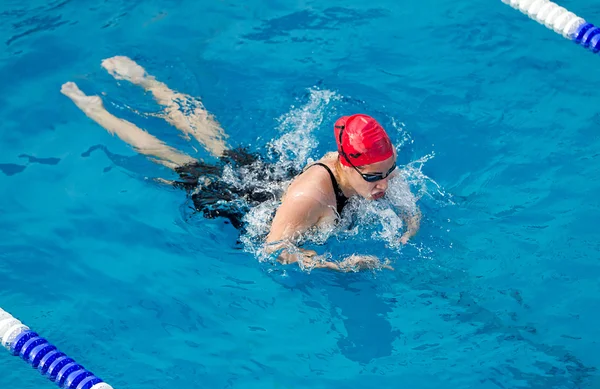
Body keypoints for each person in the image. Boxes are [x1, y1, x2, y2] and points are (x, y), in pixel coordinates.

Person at [61, 56, 420, 273]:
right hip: (243, 198)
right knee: (170, 155)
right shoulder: (309, 197)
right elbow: (273, 250)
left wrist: (408, 229)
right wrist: (337, 265)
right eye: (374, 177)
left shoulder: (379, 164)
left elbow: (407, 205)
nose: (385, 184)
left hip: (269, 180)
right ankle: (94, 107)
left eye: (390, 171)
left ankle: (143, 79)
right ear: (346, 164)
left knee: (218, 141)